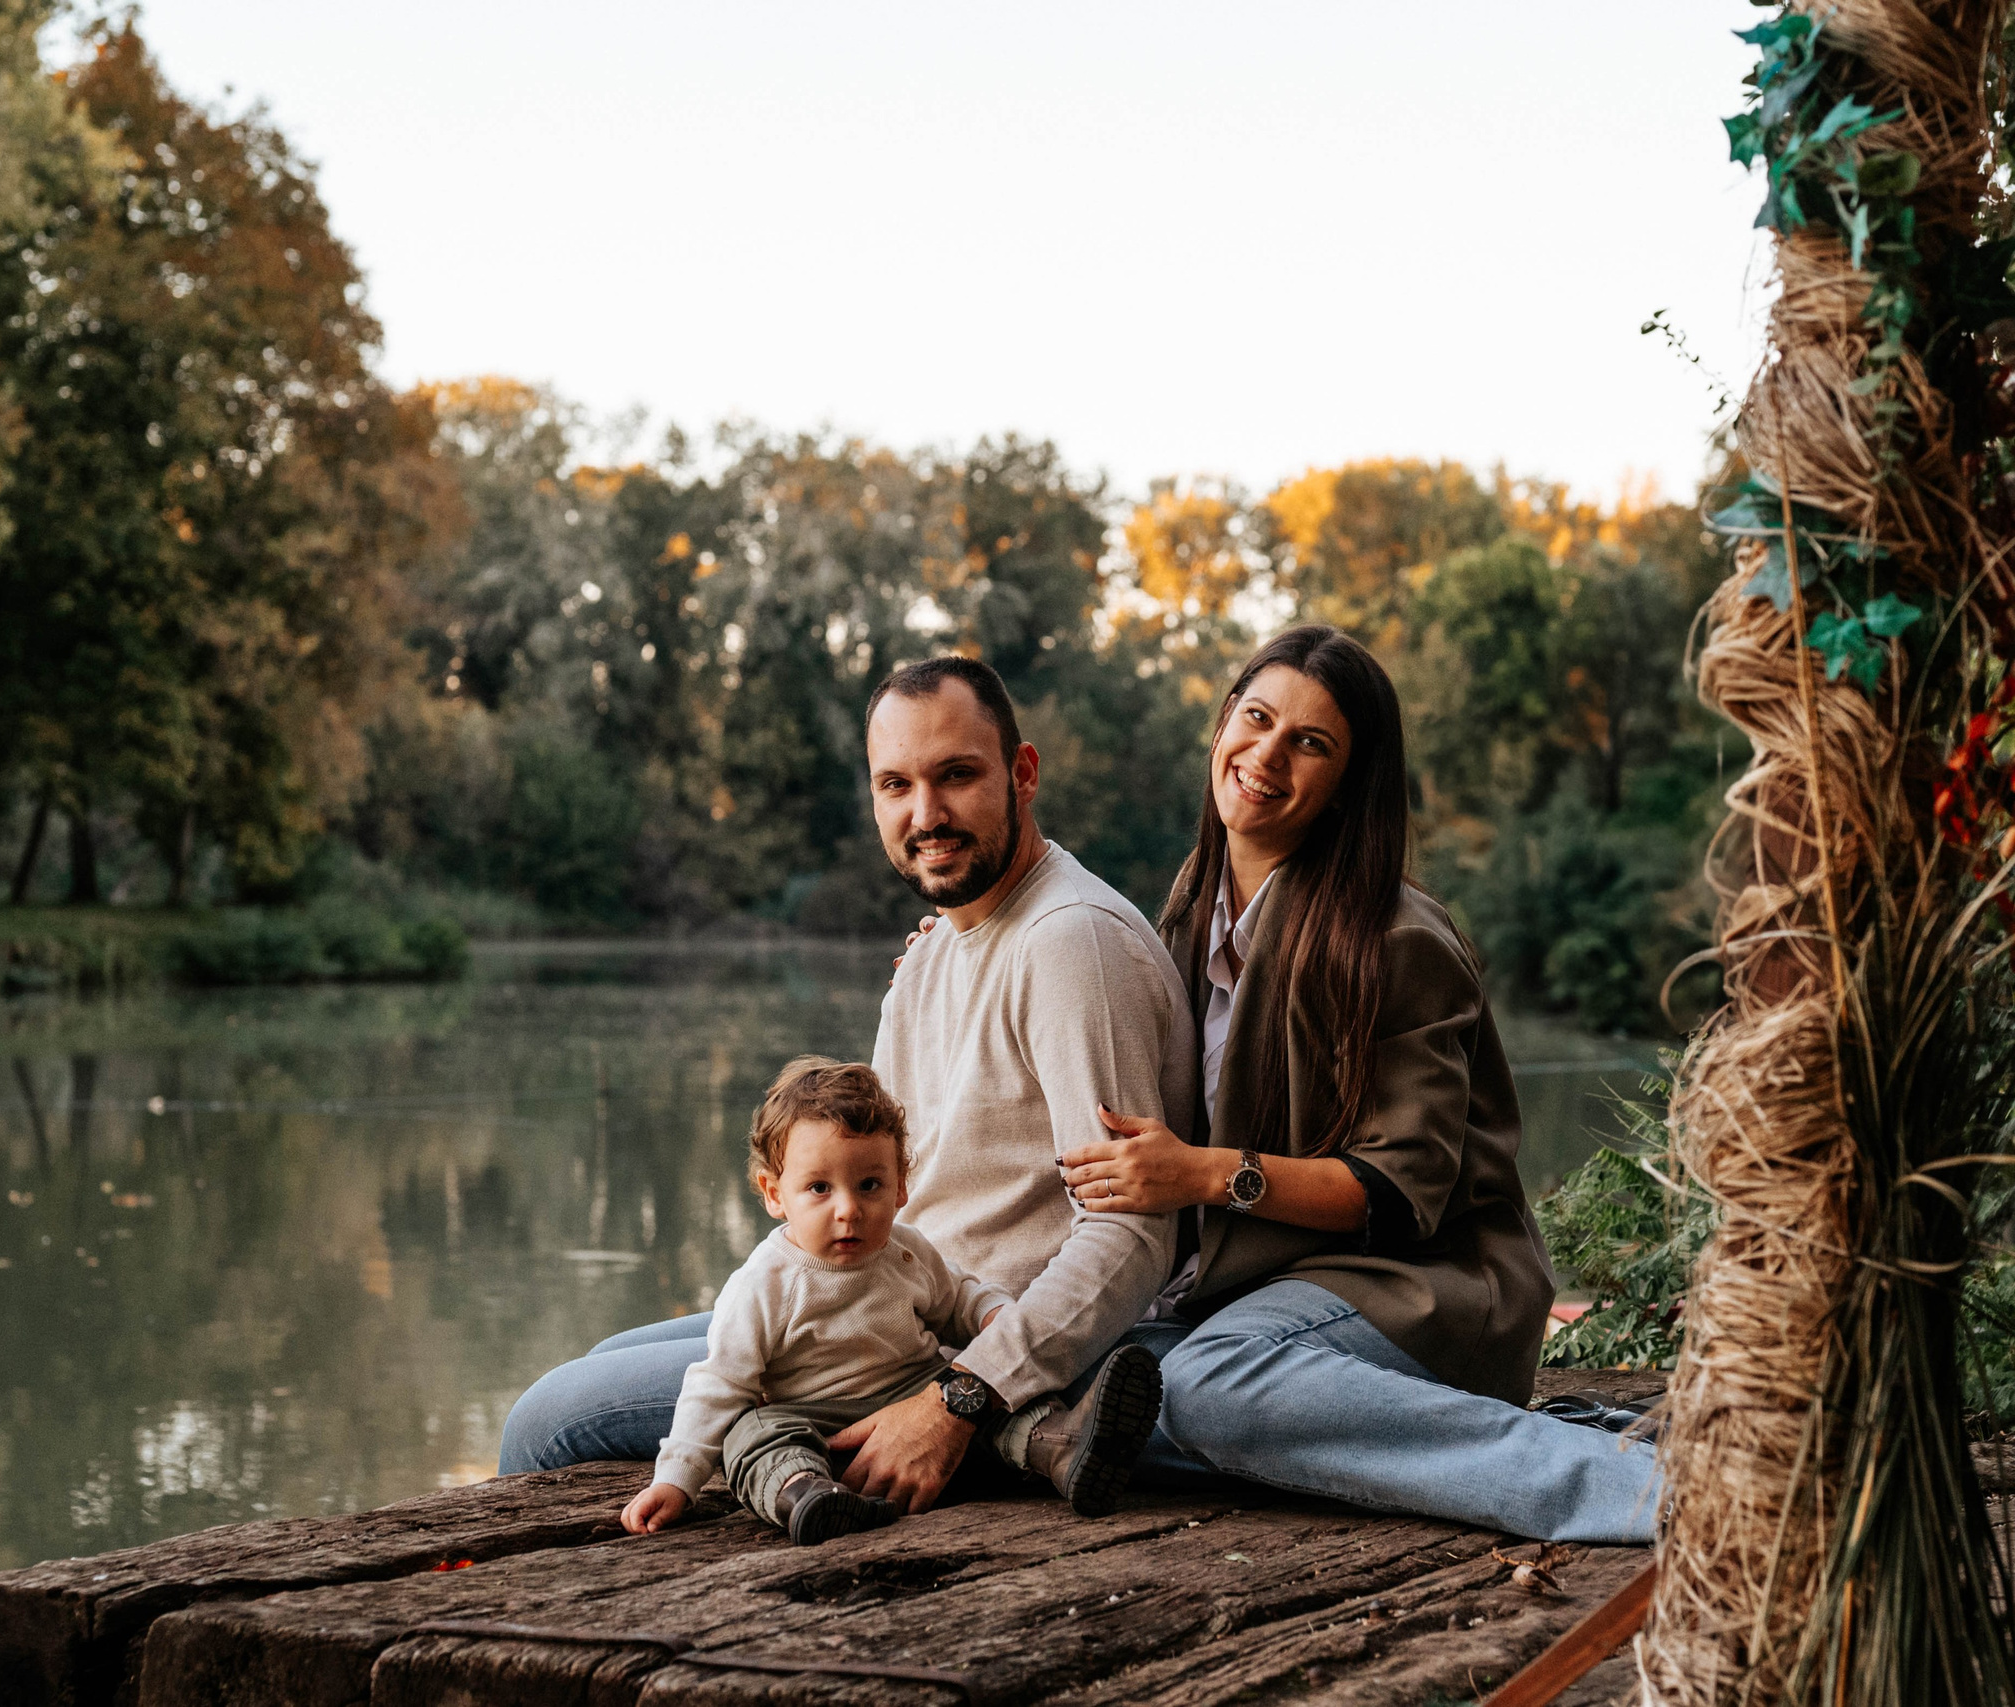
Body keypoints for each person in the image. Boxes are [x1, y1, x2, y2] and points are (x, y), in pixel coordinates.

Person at [503, 656, 1198, 1516]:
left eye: (957, 776)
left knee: (551, 1421)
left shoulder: (1069, 945)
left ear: (1022, 775)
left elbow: (1130, 1235)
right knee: (605, 1357)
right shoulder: (938, 949)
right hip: (876, 1292)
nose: (925, 813)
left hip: (968, 1343)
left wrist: (958, 1399)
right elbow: (882, 1168)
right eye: (895, 784)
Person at [1049, 624, 1661, 1543]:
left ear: (1346, 785)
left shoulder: (1394, 938)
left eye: (1311, 743)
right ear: (1219, 727)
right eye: (1256, 719)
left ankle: (1648, 1494)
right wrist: (954, 953)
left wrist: (1205, 1174)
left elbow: (1398, 1191)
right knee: (1078, 1383)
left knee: (1202, 1387)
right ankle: (1533, 1438)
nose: (1267, 755)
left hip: (1424, 1282)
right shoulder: (1186, 910)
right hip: (1269, 1295)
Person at [626, 1057, 1072, 1546]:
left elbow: (957, 1298)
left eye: (869, 1185)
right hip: (815, 1424)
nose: (849, 1210)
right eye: (819, 1188)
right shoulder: (764, 1283)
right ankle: (805, 1495)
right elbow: (718, 1383)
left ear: (901, 1185)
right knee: (749, 1433)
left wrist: (993, 1315)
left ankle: (1063, 1449)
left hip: (917, 1403)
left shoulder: (906, 1251)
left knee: (995, 1393)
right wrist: (675, 1478)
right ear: (775, 1194)